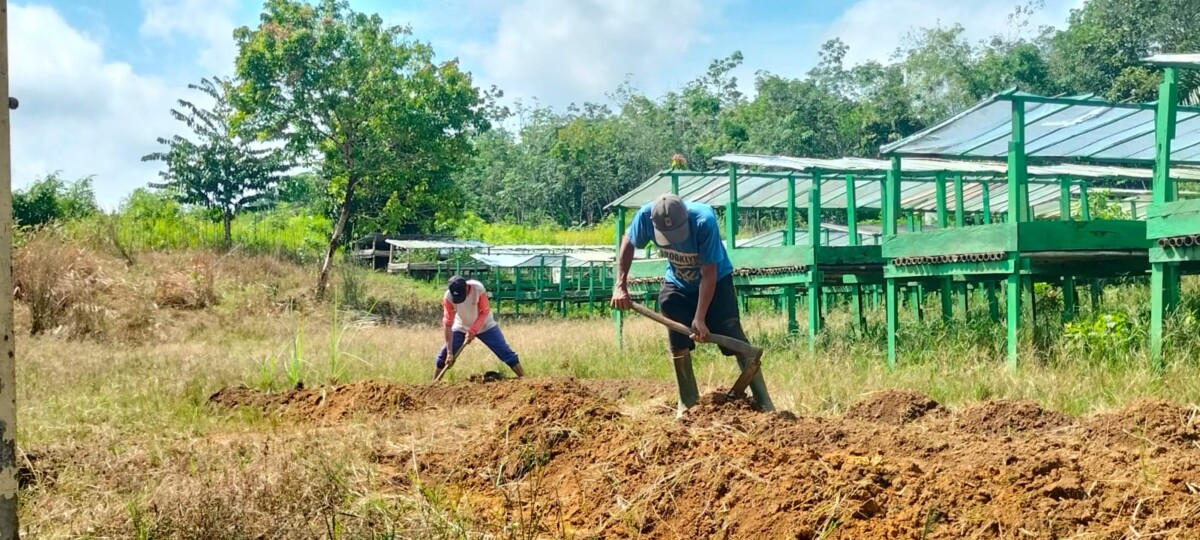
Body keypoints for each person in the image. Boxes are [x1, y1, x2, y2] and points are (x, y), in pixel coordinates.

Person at [611, 193, 774, 414]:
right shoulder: (644, 216)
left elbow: (709, 273)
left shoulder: (704, 221)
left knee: (731, 334)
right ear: (653, 223)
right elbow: (628, 242)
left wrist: (700, 318)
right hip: (677, 281)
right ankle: (687, 403)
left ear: (686, 216)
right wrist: (620, 285)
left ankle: (765, 403)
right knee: (671, 314)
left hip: (716, 281)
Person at [433, 275, 525, 380]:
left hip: (485, 325)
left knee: (505, 352)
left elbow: (484, 311)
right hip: (461, 326)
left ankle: (524, 379)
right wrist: (450, 352)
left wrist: (472, 331)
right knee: (443, 356)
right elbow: (448, 323)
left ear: (466, 287)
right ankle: (433, 385)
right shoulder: (448, 297)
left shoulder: (478, 289)